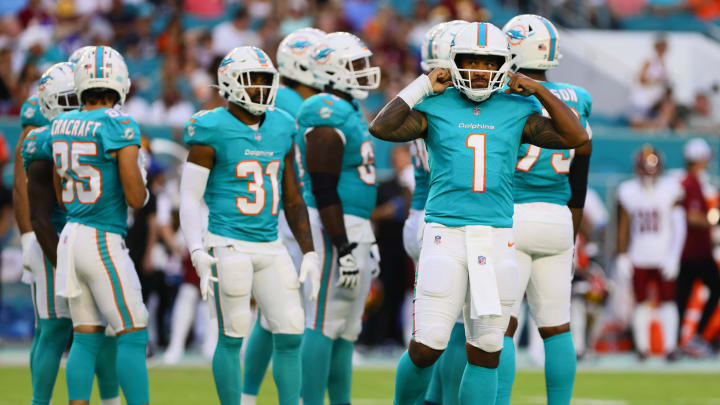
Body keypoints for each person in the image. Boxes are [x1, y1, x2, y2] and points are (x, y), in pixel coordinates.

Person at [369, 21, 588, 404]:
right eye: (470, 60)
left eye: (488, 62)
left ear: (505, 65)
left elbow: (574, 137)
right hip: (445, 234)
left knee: (487, 349)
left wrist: (539, 90)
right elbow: (381, 127)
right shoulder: (436, 103)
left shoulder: (518, 108)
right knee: (428, 344)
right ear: (453, 62)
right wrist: (421, 86)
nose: (479, 69)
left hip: (497, 238)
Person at [179, 45, 320, 405]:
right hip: (228, 243)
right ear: (229, 82)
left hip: (270, 245)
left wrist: (309, 252)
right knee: (233, 332)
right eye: (250, 79)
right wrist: (196, 247)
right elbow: (189, 197)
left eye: (264, 79)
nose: (259, 87)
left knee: (290, 329)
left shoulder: (283, 125)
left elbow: (292, 197)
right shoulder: (209, 126)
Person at [497, 15, 593, 405]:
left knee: (499, 329)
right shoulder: (578, 98)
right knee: (557, 328)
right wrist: (572, 235)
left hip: (514, 216)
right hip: (558, 217)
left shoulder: (505, 97)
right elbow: (581, 172)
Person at [19, 58, 122, 405]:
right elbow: (39, 216)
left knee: (106, 330)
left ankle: (109, 399)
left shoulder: (95, 130)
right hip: (54, 242)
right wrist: (62, 263)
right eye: (64, 102)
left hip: (93, 241)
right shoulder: (39, 140)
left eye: (76, 100)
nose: (73, 109)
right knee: (53, 329)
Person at [51, 46, 150, 405]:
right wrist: (139, 173)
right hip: (101, 238)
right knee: (133, 331)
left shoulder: (60, 123)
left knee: (87, 336)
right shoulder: (119, 123)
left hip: (71, 235)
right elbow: (136, 198)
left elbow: (62, 196)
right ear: (119, 81)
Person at [295, 31, 381, 405]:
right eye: (356, 65)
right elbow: (324, 186)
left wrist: (366, 238)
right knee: (323, 321)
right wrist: (343, 245)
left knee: (347, 328)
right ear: (332, 69)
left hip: (354, 224)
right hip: (333, 226)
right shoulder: (324, 110)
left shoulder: (348, 109)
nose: (365, 72)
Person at [241, 27, 326, 404]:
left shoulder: (281, 101)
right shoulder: (302, 105)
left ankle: (247, 395)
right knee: (302, 317)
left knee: (270, 316)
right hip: (297, 212)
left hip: (276, 211)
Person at [403, 20, 470, 405]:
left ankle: (430, 398)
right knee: (455, 328)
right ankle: (438, 400)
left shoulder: (424, 97)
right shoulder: (445, 105)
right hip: (440, 219)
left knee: (432, 325)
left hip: (423, 216)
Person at [615, 146, 685, 361]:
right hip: (639, 254)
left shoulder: (671, 189)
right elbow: (624, 225)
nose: (648, 172)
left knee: (668, 300)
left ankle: (670, 347)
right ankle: (643, 348)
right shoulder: (628, 191)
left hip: (664, 254)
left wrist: (674, 255)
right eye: (645, 167)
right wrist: (622, 254)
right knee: (641, 302)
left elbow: (679, 226)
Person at [676, 138, 720, 358]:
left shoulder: (691, 182)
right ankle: (694, 339)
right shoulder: (692, 183)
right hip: (694, 251)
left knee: (682, 298)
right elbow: (693, 218)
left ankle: (682, 340)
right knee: (709, 290)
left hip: (691, 251)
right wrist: (713, 221)